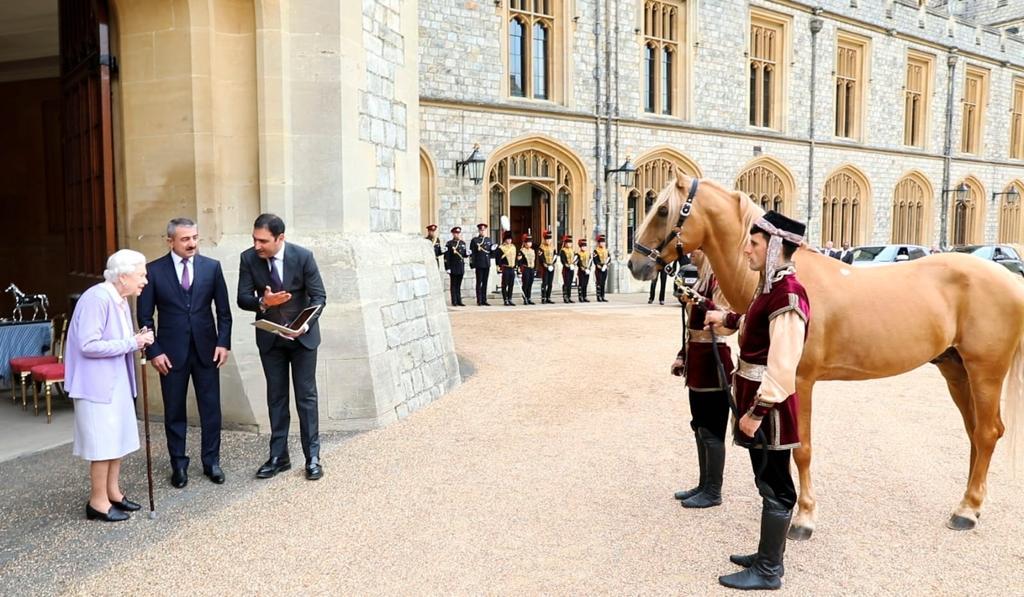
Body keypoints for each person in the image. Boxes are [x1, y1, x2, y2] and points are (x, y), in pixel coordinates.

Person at [704, 210, 810, 591]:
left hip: (770, 411)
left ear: (776, 246)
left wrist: (756, 412)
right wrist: (727, 319)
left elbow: (783, 365)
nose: (746, 249)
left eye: (754, 243)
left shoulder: (789, 295)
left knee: (776, 484)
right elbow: (753, 322)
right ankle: (767, 556)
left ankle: (768, 570)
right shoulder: (769, 289)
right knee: (766, 479)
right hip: (757, 404)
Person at [137, 218, 232, 488]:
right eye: (185, 239)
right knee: (174, 411)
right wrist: (154, 351)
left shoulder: (211, 268)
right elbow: (145, 317)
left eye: (195, 238)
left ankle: (211, 461)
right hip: (170, 354)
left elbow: (223, 312)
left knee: (211, 409)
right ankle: (178, 465)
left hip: (207, 351)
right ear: (170, 241)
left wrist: (223, 343)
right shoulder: (153, 271)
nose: (192, 243)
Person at [65, 249, 154, 522]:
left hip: (116, 383)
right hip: (96, 386)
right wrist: (132, 343)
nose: (145, 281)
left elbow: (115, 338)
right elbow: (88, 344)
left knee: (116, 441)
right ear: (124, 275)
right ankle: (97, 501)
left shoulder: (120, 298)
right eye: (141, 275)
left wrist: (134, 338)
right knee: (102, 445)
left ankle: (113, 493)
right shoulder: (97, 298)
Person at [237, 214, 328, 481]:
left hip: (302, 338)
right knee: (276, 398)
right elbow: (243, 298)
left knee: (306, 398)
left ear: (280, 238)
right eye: (254, 239)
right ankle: (279, 457)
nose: (257, 245)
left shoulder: (303, 257)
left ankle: (312, 457)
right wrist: (264, 303)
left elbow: (319, 296)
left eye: (263, 240)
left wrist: (305, 325)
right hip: (270, 339)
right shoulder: (248, 258)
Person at [670, 249, 735, 509]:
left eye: (696, 250)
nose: (690, 254)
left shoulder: (720, 282)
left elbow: (724, 320)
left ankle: (713, 490)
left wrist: (699, 301)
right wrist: (682, 356)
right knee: (699, 426)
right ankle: (703, 483)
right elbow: (692, 330)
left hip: (713, 362)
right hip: (698, 361)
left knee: (712, 430)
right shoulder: (701, 281)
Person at [469, 223, 495, 306]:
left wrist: (493, 249)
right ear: (479, 230)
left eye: (483, 230)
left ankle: (484, 299)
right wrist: (472, 264)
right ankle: (479, 300)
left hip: (486, 263)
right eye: (481, 230)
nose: (482, 231)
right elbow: (472, 253)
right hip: (479, 264)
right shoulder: (475, 240)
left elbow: (491, 253)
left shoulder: (488, 240)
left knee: (485, 282)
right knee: (479, 282)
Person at [444, 226, 468, 307]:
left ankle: (459, 300)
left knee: (458, 285)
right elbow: (447, 257)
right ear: (453, 234)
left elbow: (464, 254)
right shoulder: (449, 244)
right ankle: (454, 300)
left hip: (460, 266)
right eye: (455, 233)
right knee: (453, 285)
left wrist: (467, 253)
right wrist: (447, 267)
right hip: (453, 266)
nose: (457, 235)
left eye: (458, 233)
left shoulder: (462, 243)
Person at [495, 231, 518, 306]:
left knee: (511, 284)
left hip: (512, 268)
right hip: (505, 267)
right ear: (505, 239)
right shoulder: (501, 248)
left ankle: (510, 298)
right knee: (504, 284)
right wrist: (498, 266)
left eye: (510, 239)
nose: (509, 240)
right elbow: (498, 258)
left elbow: (515, 257)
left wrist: (516, 266)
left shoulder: (513, 247)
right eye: (508, 239)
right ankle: (505, 299)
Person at [538, 231, 557, 304]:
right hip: (544, 267)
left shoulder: (553, 247)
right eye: (547, 239)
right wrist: (544, 264)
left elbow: (555, 256)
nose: (548, 241)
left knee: (550, 283)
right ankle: (543, 297)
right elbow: (540, 257)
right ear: (544, 240)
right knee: (544, 282)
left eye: (549, 239)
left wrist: (553, 263)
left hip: (551, 266)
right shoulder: (541, 247)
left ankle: (548, 297)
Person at [517, 234, 537, 305]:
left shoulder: (532, 250)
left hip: (531, 269)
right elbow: (519, 261)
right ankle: (525, 298)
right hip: (525, 269)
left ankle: (529, 297)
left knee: (530, 284)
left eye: (530, 242)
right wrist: (519, 268)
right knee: (525, 284)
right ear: (524, 243)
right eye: (528, 242)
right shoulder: (521, 251)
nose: (529, 243)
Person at [559, 235, 576, 303]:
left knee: (570, 283)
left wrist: (573, 264)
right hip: (566, 269)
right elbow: (563, 260)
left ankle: (569, 296)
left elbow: (574, 258)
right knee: (566, 282)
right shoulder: (563, 250)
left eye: (570, 243)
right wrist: (567, 265)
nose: (569, 244)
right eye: (567, 243)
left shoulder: (572, 250)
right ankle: (565, 296)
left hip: (571, 268)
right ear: (565, 243)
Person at [593, 235, 610, 302]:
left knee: (603, 282)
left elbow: (609, 258)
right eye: (601, 242)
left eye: (603, 242)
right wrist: (598, 265)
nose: (602, 243)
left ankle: (603, 296)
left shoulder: (606, 250)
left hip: (605, 267)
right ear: (598, 243)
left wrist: (607, 264)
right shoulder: (596, 251)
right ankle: (598, 296)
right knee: (599, 282)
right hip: (599, 269)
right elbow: (595, 259)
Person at [575, 238, 593, 303]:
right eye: (582, 246)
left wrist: (589, 268)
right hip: (581, 271)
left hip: (587, 270)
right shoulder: (578, 254)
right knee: (581, 284)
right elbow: (577, 262)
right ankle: (580, 296)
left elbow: (590, 261)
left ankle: (585, 296)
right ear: (580, 247)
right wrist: (582, 268)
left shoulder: (588, 254)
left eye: (585, 246)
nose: (584, 247)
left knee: (585, 284)